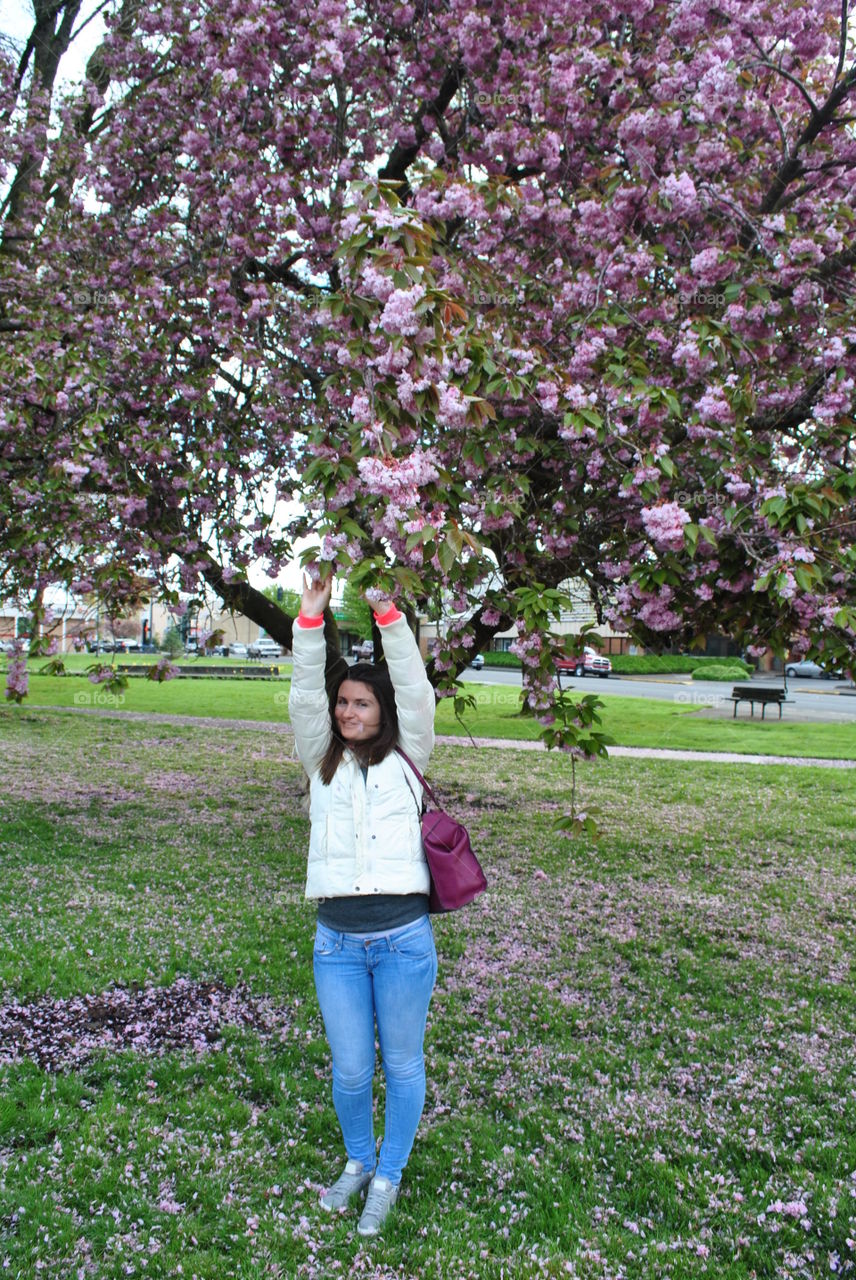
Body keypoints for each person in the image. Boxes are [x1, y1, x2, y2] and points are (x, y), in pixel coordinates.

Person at [288, 573, 438, 1238]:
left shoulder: (409, 757)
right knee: (351, 1070)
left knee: (402, 1064)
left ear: (385, 713)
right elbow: (301, 695)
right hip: (338, 946)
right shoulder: (320, 760)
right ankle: (357, 1160)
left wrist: (387, 614)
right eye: (342, 702)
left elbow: (413, 684)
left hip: (403, 941)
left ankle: (389, 1175)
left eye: (360, 705)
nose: (348, 713)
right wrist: (309, 622)